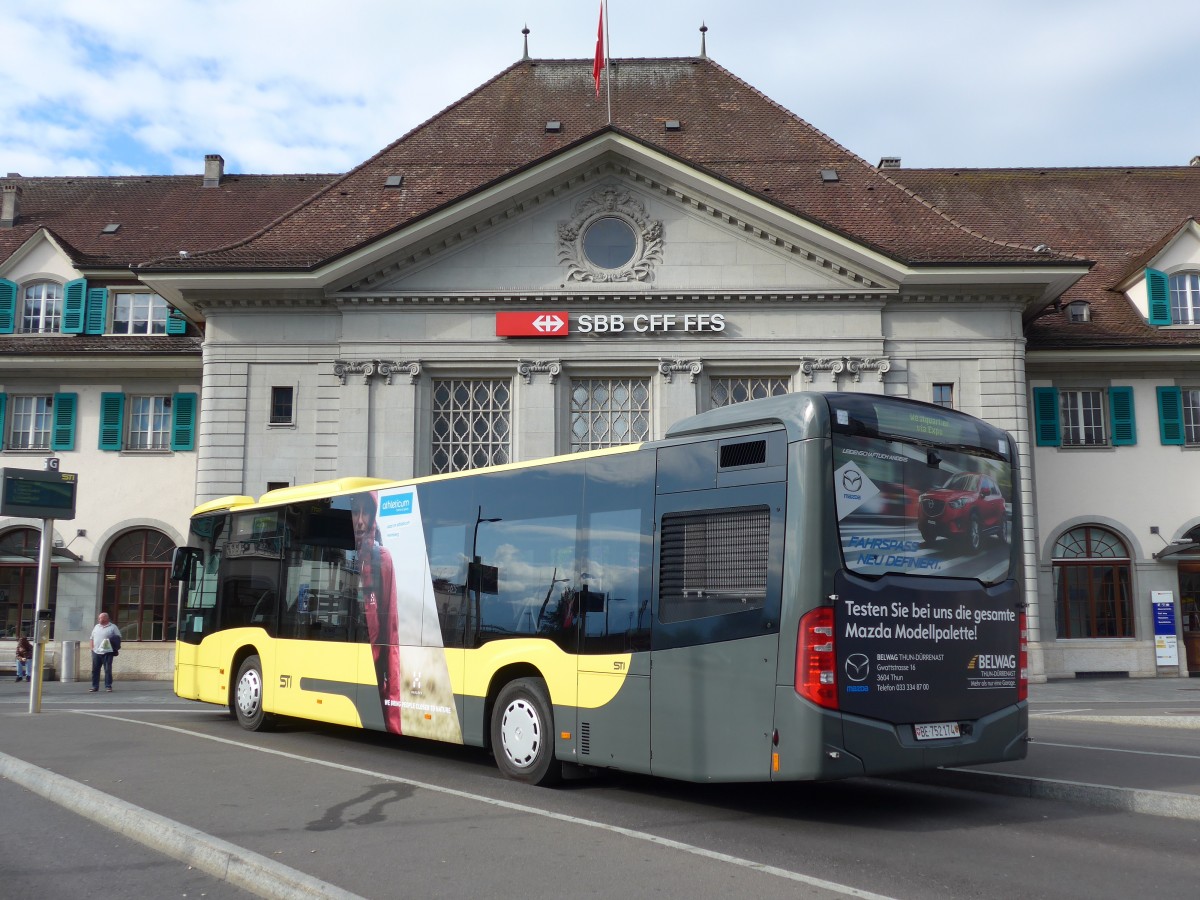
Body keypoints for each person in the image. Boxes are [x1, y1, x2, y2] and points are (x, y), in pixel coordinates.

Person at [351, 492, 403, 733]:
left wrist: (393, 720)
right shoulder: (348, 558)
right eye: (354, 512)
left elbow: (391, 642)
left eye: (366, 512)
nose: (360, 520)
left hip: (373, 683)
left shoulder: (382, 560)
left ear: (373, 517)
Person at [90, 611, 121, 692]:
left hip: (107, 652)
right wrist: (92, 648)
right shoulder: (96, 626)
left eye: (101, 618)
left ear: (106, 618)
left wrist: (115, 647)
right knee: (95, 670)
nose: (99, 619)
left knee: (107, 669)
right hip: (96, 652)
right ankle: (94, 686)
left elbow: (118, 638)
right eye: (99, 618)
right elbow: (91, 638)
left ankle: (108, 686)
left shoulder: (113, 627)